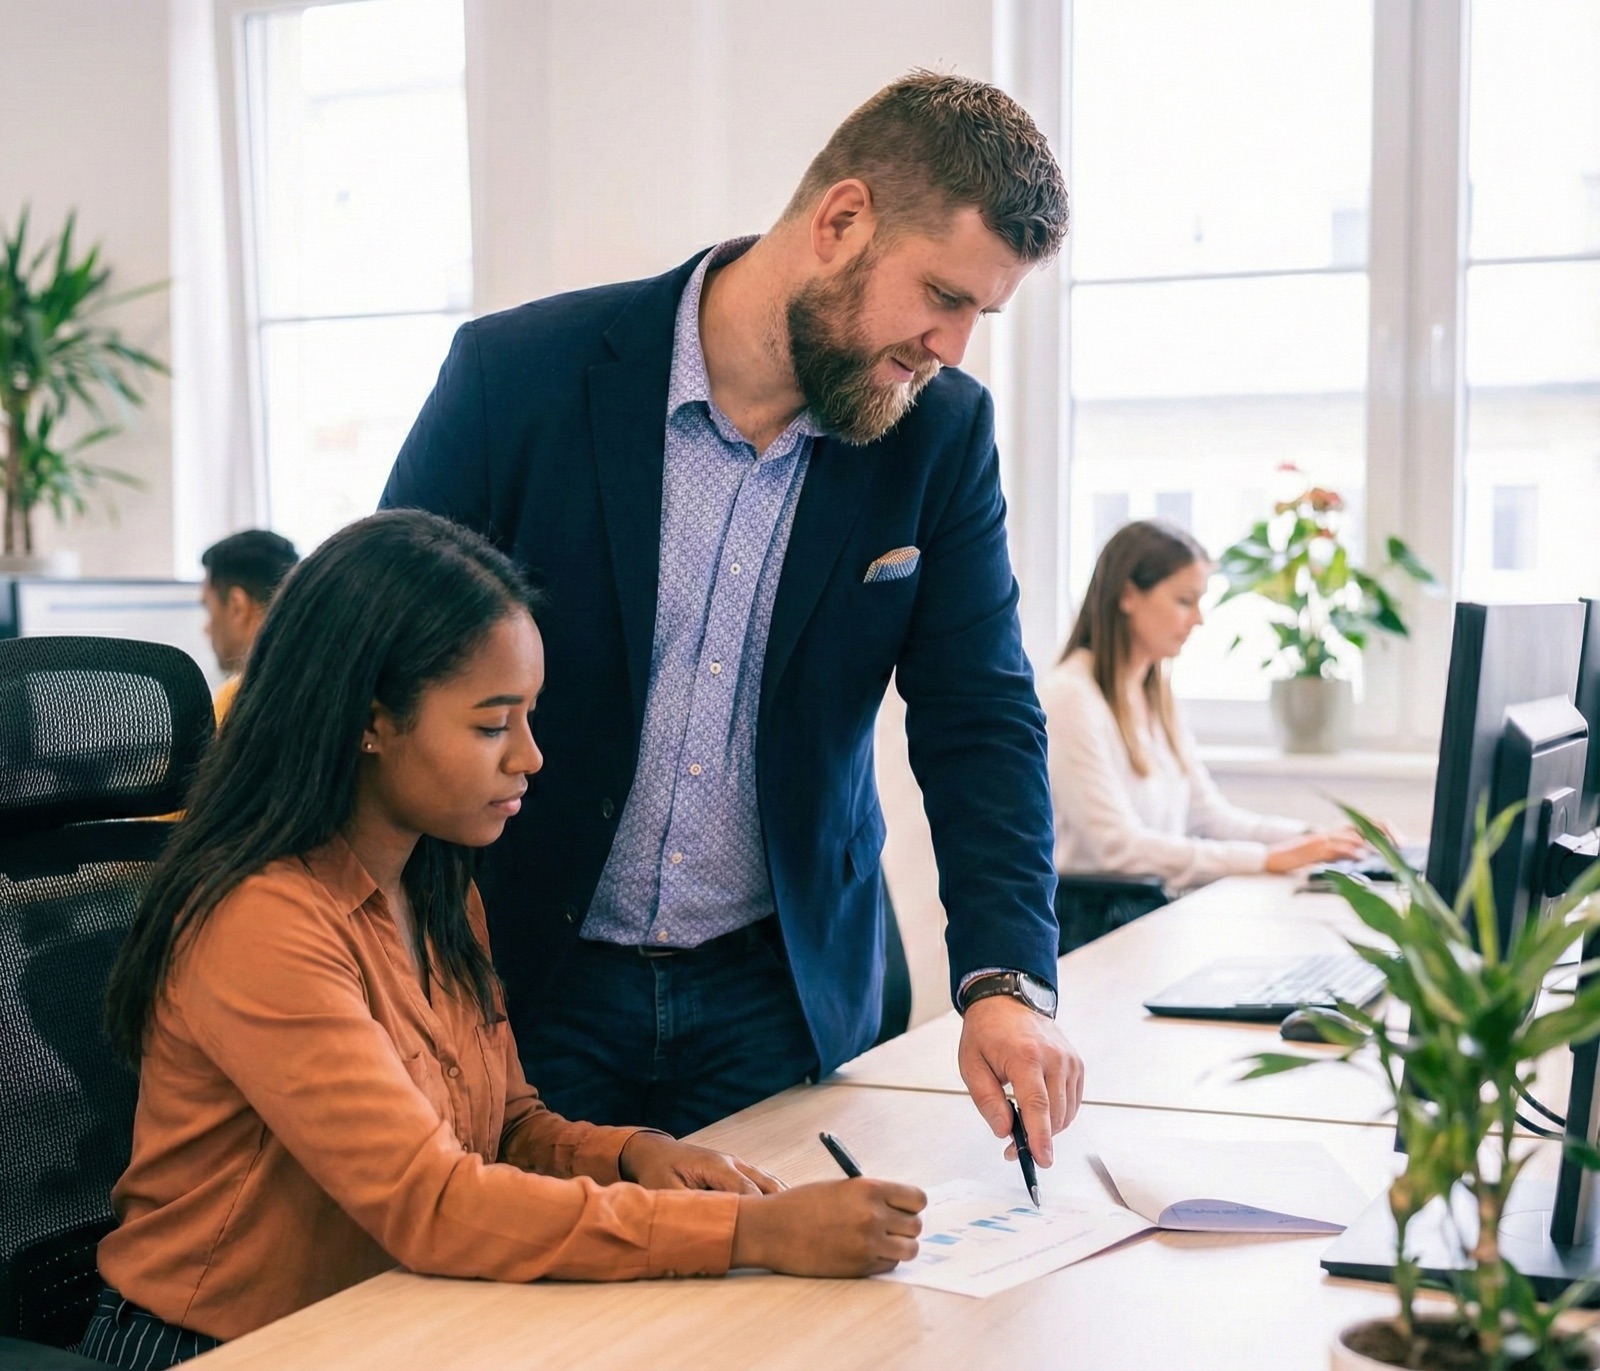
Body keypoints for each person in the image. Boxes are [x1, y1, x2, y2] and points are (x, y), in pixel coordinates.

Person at [381, 71, 1081, 1164]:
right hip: (522, 974)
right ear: (840, 221)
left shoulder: (939, 434)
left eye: (978, 316)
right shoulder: (520, 377)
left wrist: (1006, 982)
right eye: (941, 296)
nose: (950, 344)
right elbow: (375, 656)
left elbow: (978, 714)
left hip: (779, 989)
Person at [88, 511, 924, 1367]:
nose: (530, 756)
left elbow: (503, 1127)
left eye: (529, 717)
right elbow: (434, 1203)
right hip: (215, 1346)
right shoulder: (263, 922)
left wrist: (637, 1154)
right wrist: (750, 1232)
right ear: (370, 722)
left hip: (387, 1320)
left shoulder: (434, 883)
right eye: (493, 725)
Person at [1042, 520, 1366, 950]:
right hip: (1096, 926)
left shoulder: (1155, 694)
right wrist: (1266, 860)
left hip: (1151, 917)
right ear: (1126, 596)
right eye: (1183, 601)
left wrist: (1316, 838)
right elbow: (1115, 847)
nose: (1198, 619)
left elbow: (1209, 817)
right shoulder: (1070, 697)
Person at [199, 529, 299, 722]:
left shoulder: (235, 702)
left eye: (210, 611)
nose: (206, 629)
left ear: (238, 606)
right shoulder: (322, 682)